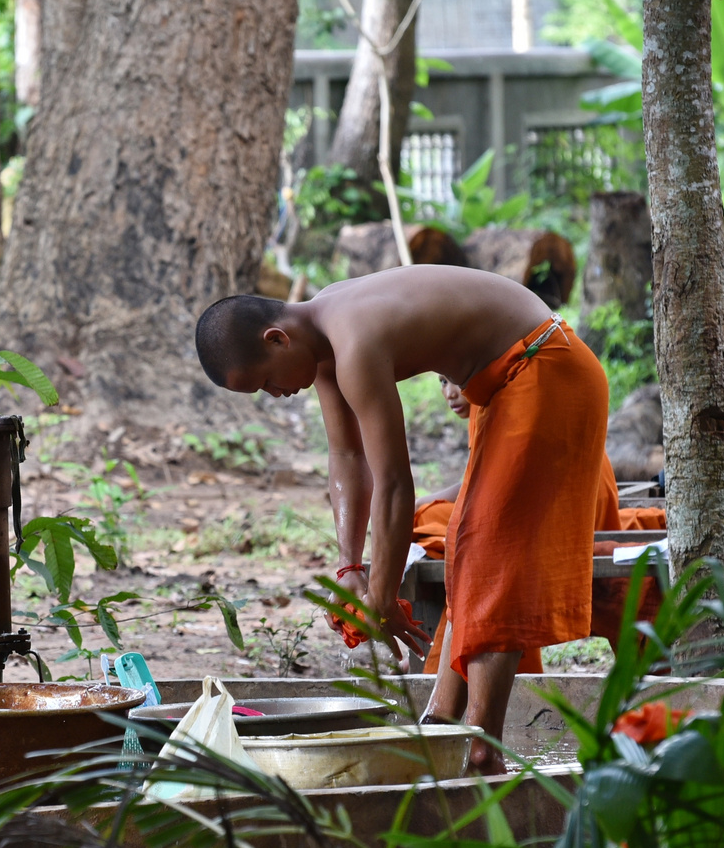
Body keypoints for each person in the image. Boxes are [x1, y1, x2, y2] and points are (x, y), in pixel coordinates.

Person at [194, 265, 609, 773]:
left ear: (277, 340)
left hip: (545, 367)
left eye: (264, 383)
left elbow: (393, 482)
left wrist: (384, 598)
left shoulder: (354, 342)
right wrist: (350, 571)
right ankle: (442, 727)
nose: (275, 394)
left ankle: (481, 747)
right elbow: (347, 460)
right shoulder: (321, 337)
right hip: (504, 384)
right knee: (467, 551)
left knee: (491, 556)